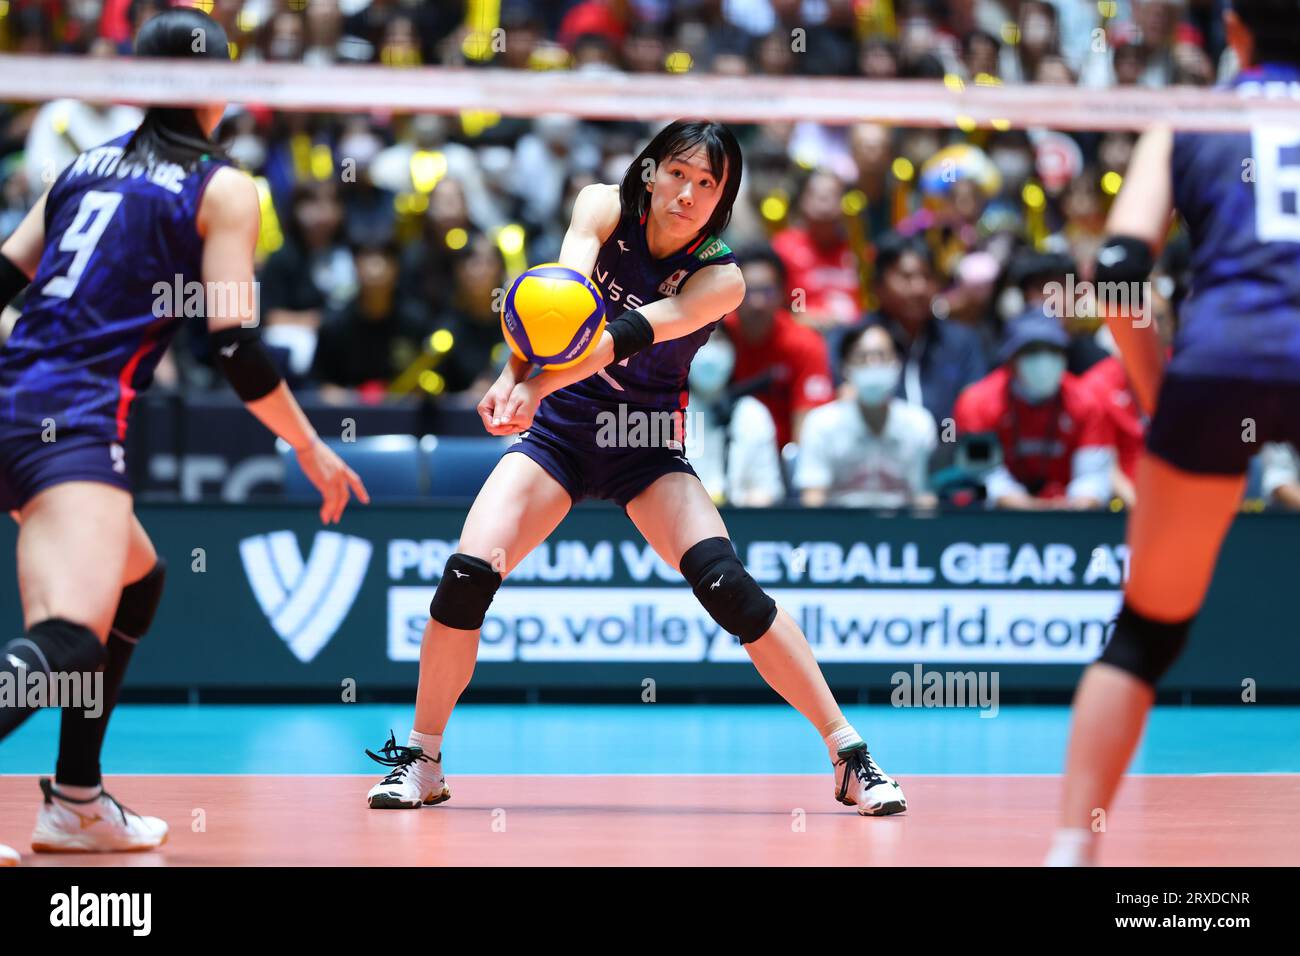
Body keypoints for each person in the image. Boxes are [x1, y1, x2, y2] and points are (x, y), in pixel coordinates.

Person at [364, 120, 906, 817]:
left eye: (708, 184)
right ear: (650, 171)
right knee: (468, 574)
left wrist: (530, 389)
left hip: (645, 444)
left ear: (723, 199)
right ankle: (424, 757)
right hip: (560, 436)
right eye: (678, 173)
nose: (689, 192)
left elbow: (617, 338)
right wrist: (512, 375)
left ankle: (850, 755)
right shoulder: (600, 206)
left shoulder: (722, 278)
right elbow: (555, 306)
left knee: (729, 586)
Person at [0, 9, 368, 866]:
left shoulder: (77, 167)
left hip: (17, 399)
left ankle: (77, 803)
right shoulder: (224, 184)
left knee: (139, 580)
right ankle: (74, 803)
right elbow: (232, 342)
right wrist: (309, 447)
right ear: (215, 86)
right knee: (66, 640)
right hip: (74, 417)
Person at [1048, 0, 1300, 866]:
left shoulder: (1192, 116)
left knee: (1147, 632)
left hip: (1221, 358)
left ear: (1232, 31)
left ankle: (1071, 852)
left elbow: (1118, 270)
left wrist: (1161, 395)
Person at [953, 311, 1114, 510]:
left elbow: (1093, 475)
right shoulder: (976, 403)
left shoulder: (1087, 402)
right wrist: (1024, 506)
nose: (1043, 360)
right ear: (1011, 360)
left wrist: (1076, 504)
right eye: (1031, 351)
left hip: (1070, 518)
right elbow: (981, 473)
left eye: (1052, 350)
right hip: (998, 519)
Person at [796, 323, 938, 508]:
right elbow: (813, 498)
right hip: (839, 530)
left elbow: (924, 498)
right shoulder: (820, 424)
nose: (873, 364)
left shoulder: (920, 423)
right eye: (862, 357)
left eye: (882, 356)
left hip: (902, 531)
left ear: (897, 364)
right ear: (845, 368)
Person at [684, 324, 784, 507]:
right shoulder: (662, 410)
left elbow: (767, 490)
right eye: (702, 341)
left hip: (739, 525)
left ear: (733, 352)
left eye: (719, 341)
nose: (710, 353)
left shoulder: (753, 413)